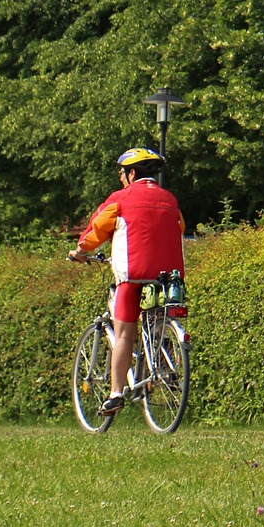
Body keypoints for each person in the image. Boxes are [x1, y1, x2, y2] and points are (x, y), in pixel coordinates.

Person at [69, 148, 185, 416]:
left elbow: (96, 230)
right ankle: (163, 356)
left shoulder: (120, 199)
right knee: (155, 319)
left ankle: (115, 393)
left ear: (132, 173)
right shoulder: (170, 200)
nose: (121, 178)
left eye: (123, 174)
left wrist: (80, 251)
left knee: (123, 333)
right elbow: (178, 228)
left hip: (132, 275)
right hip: (169, 277)